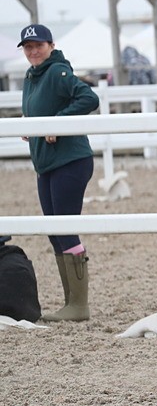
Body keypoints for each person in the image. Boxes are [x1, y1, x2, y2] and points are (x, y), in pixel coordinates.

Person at [18, 24, 100, 322]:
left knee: (64, 228)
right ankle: (70, 303)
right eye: (28, 47)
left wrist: (58, 121)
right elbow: (41, 108)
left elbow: (89, 98)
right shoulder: (32, 76)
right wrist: (29, 122)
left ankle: (79, 305)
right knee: (54, 230)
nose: (33, 51)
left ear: (51, 45)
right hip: (47, 163)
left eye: (38, 45)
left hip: (70, 161)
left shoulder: (57, 71)